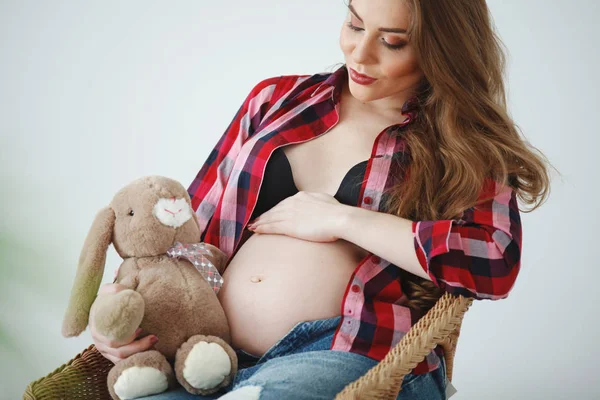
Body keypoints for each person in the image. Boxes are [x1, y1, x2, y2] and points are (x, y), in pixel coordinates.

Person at [91, 0, 552, 399]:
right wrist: (127, 312)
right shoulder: (275, 99)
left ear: (442, 50)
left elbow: (493, 261)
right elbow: (187, 232)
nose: (360, 52)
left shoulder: (461, 145)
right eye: (354, 25)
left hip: (349, 351)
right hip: (209, 351)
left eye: (392, 42)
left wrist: (342, 221)